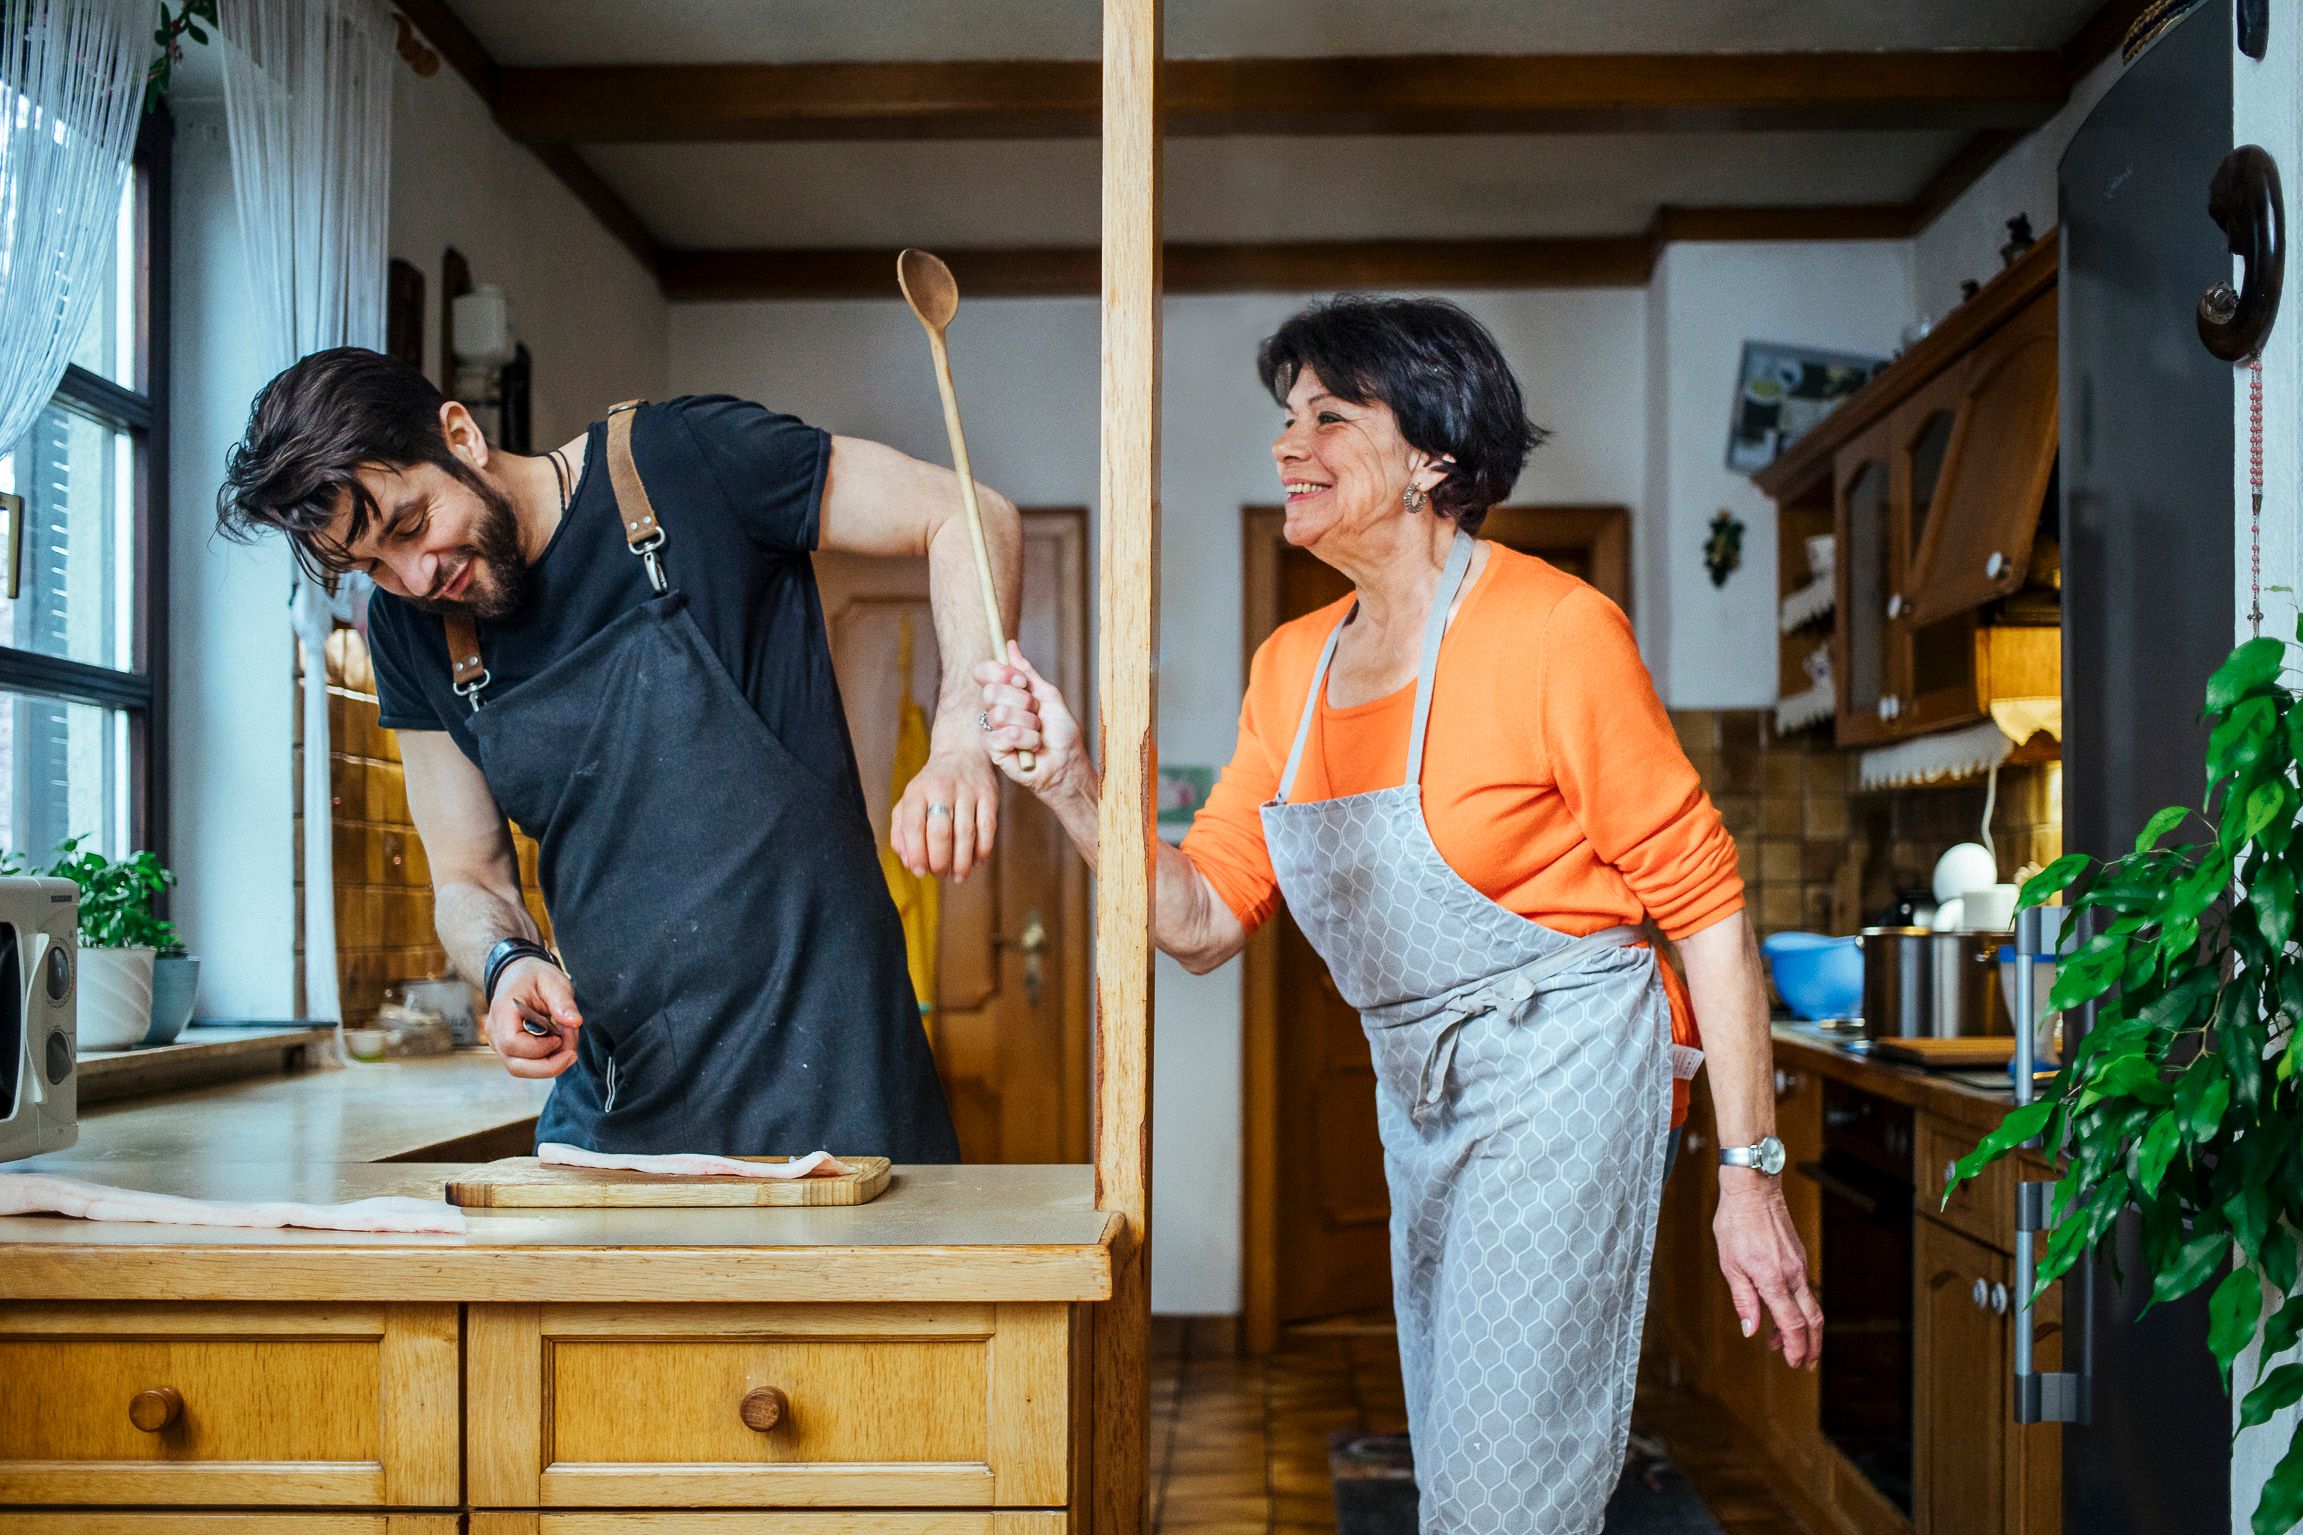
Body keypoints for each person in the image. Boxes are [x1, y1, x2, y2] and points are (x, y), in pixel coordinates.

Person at [975, 298, 1821, 1532]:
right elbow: (1199, 919)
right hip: (1415, 1086)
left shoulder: (1554, 630)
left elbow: (1706, 910)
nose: (1287, 443)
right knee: (1463, 1452)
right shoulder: (1291, 666)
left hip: (1564, 1074)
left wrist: (1749, 1178)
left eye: (1328, 415)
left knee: (1501, 1487)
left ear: (1431, 454)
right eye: (1285, 416)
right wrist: (1070, 781)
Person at [217, 348, 1017, 1161]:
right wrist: (504, 962)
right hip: (625, 1104)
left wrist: (962, 738)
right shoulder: (411, 631)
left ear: (460, 435)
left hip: (836, 1076)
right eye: (370, 566)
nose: (415, 579)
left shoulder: (683, 459)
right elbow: (466, 878)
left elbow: (969, 517)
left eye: (412, 526)